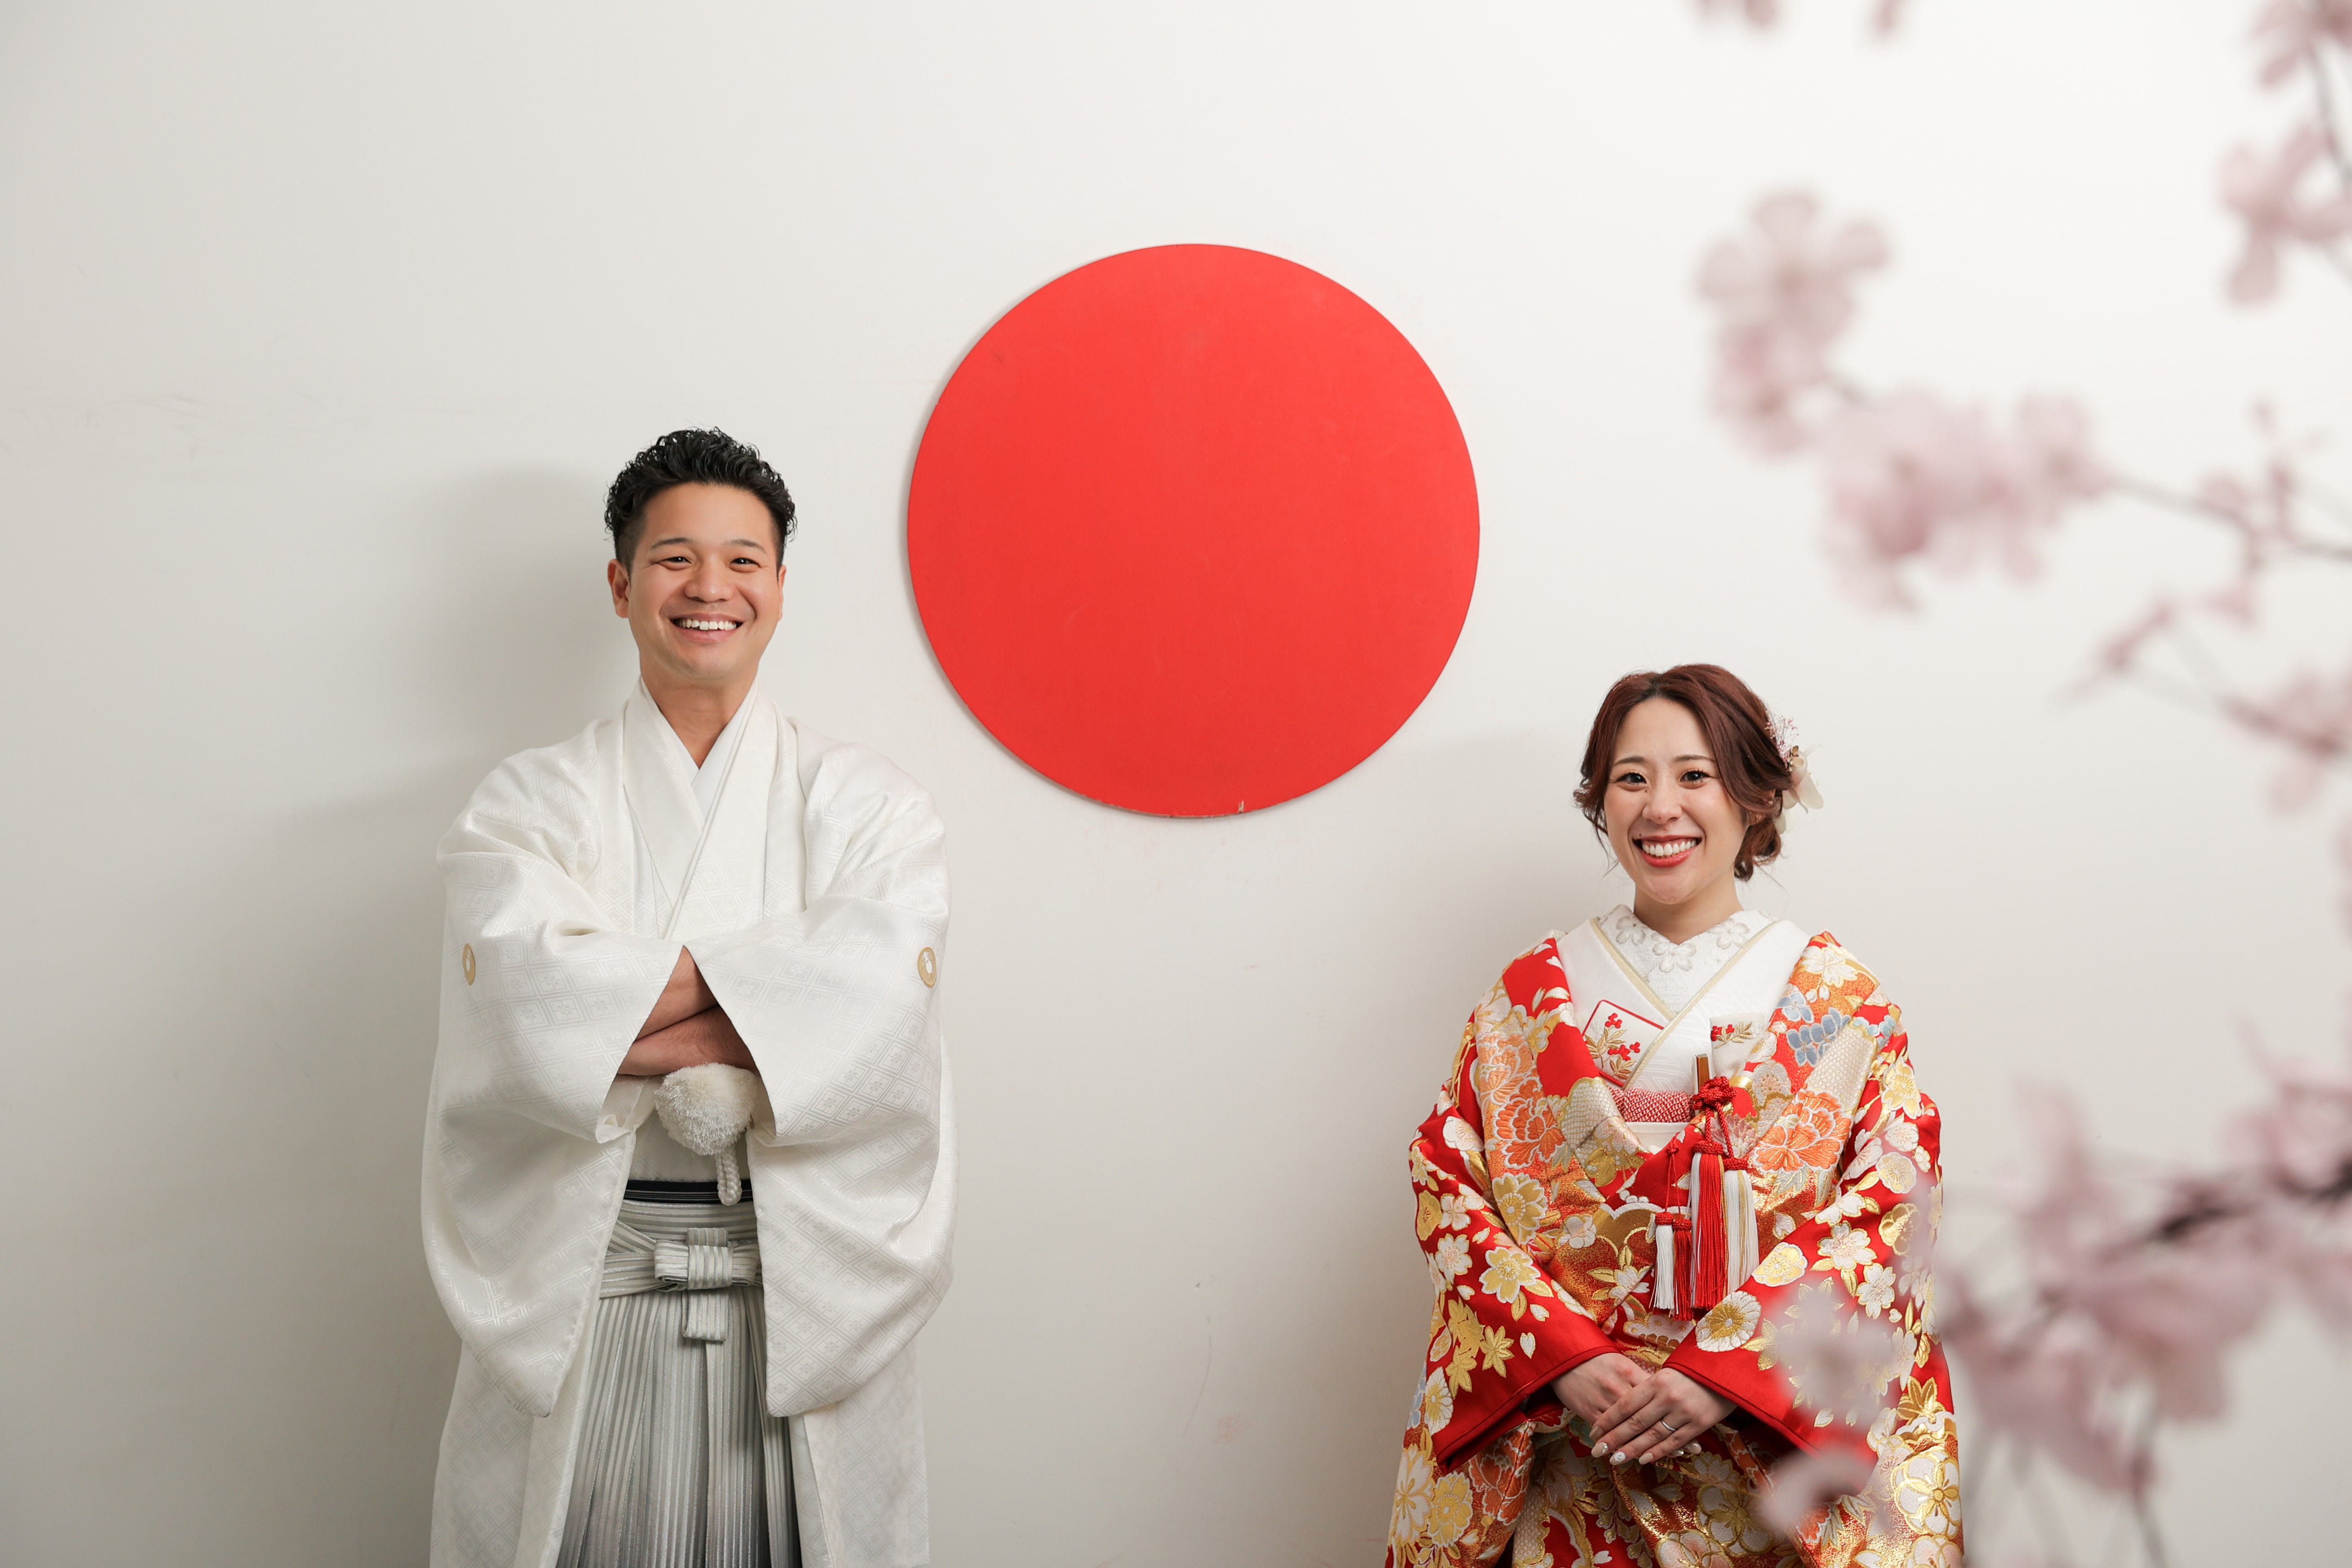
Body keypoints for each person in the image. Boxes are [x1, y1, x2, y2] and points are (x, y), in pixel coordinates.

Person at [422, 429, 956, 1568]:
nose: (710, 587)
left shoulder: (870, 806)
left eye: (742, 560)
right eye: (674, 558)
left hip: (802, 1295)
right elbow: (521, 1013)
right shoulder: (528, 803)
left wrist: (609, 1003)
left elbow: (879, 1020)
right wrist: (783, 1002)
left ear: (779, 588)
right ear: (621, 585)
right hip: (587, 1290)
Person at [1384, 665, 1961, 1568]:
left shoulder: (1836, 994)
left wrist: (1728, 1369)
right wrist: (1564, 1357)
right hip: (1583, 1433)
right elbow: (1449, 1176)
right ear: (1599, 799)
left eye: (1695, 775)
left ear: (1758, 794)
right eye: (1631, 777)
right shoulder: (1531, 993)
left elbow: (1891, 1197)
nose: (1661, 807)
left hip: (1767, 1445)